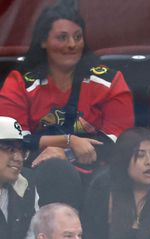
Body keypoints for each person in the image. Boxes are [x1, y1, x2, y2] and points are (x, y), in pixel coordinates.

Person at [0, 3, 133, 170]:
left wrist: (65, 155)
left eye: (78, 37)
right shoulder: (20, 83)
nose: (72, 44)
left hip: (97, 178)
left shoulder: (110, 82)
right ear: (43, 41)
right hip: (33, 173)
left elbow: (119, 142)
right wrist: (70, 141)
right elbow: (12, 140)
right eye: (62, 37)